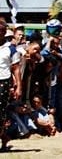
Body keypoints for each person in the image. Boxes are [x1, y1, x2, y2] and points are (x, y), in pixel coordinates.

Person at [0, 19, 21, 152]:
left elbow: (16, 69)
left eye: (1, 31)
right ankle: (4, 136)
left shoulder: (11, 49)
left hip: (3, 82)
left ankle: (3, 136)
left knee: (0, 113)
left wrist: (19, 86)